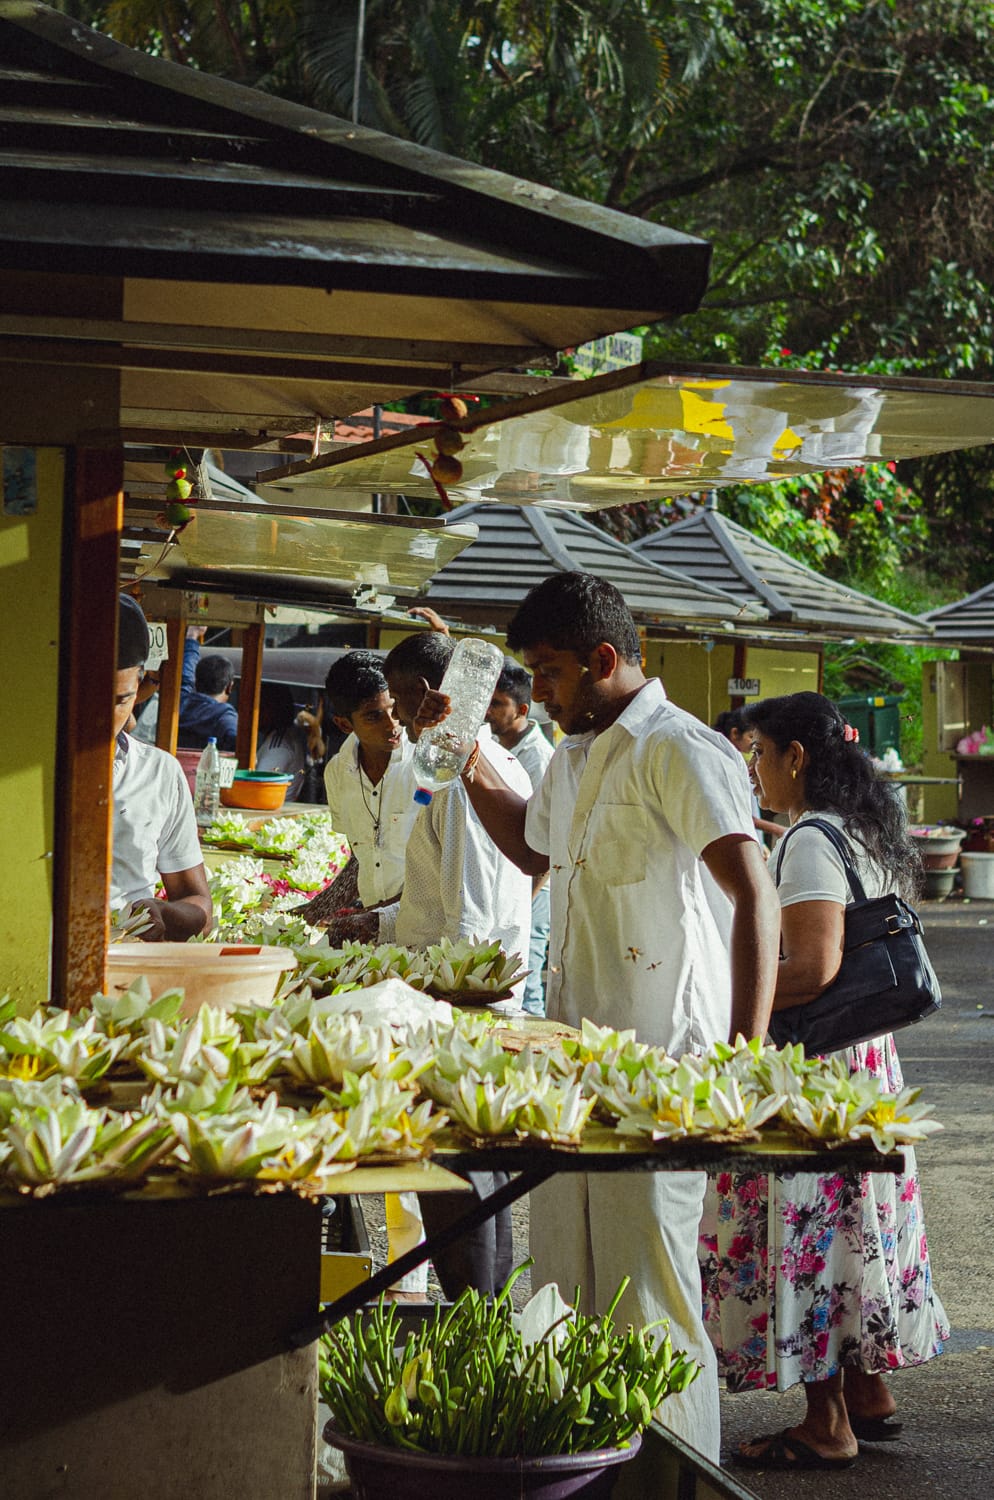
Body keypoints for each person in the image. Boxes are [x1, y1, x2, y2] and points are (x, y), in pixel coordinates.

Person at [416, 572, 780, 1460]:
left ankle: (674, 1477)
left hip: (665, 1075)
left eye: (546, 673)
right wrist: (464, 754)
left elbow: (757, 900)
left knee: (650, 1298)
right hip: (576, 1076)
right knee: (572, 1293)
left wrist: (743, 1067)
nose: (532, 692)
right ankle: (588, 1472)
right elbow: (532, 848)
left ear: (603, 660)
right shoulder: (575, 752)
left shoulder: (680, 748)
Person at [700, 691, 949, 1472]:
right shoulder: (855, 828)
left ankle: (825, 1422)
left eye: (759, 754)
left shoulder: (810, 839)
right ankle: (869, 1393)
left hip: (817, 1068)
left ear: (795, 758)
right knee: (854, 1224)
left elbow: (814, 966)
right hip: (861, 1060)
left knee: (811, 1231)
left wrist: (726, 987)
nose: (754, 770)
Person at [347, 630, 533, 1300]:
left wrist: (436, 1010)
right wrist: (373, 932)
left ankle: (472, 1323)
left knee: (461, 1180)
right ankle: (478, 1326)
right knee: (476, 1178)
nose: (394, 713)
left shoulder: (464, 781)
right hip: (460, 997)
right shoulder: (463, 769)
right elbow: (433, 897)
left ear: (432, 697)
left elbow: (468, 924)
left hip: (463, 1009)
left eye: (399, 698)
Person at [321, 650, 428, 1301]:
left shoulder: (425, 765)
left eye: (393, 711)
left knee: (416, 1104)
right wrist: (334, 910)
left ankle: (412, 1271)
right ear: (342, 722)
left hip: (428, 948)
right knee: (378, 1099)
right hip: (371, 954)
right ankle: (398, 1266)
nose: (392, 725)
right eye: (373, 716)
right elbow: (363, 861)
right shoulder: (337, 773)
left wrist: (384, 920)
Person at [112, 596, 212, 941]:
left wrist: (165, 913)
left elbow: (197, 902)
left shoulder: (159, 773)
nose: (103, 716)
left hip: (129, 963)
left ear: (139, 687)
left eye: (119, 700)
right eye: (87, 695)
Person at [485, 659, 554, 1015]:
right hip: (501, 884)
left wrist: (523, 901)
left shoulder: (539, 759)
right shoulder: (493, 748)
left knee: (524, 988)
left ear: (522, 710)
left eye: (498, 704)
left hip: (532, 890)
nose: (488, 710)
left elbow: (548, 845)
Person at [714, 707, 784, 845]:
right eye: (750, 737)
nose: (752, 744)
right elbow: (741, 814)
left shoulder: (738, 761)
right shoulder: (725, 766)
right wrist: (778, 829)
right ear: (735, 733)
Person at [179, 625, 238, 750]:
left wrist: (192, 636)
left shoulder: (180, 702)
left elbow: (186, 676)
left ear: (196, 682)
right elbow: (238, 744)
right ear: (229, 687)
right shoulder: (224, 715)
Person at [254, 682, 309, 800]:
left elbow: (258, 789)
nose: (256, 712)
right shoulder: (282, 736)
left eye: (261, 707)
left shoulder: (278, 746)